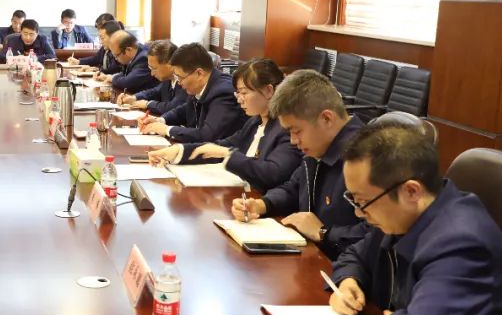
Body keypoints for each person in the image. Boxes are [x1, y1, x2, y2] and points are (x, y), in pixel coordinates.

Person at [328, 124, 502, 315]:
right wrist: (349, 281)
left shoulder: (460, 243)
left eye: (362, 201)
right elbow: (355, 255)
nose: (358, 213)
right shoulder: (405, 216)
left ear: (411, 190)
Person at [230, 69, 366, 259]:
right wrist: (262, 205)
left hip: (340, 266)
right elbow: (294, 187)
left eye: (296, 131)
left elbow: (377, 236)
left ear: (326, 118)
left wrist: (323, 233)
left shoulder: (368, 158)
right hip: (312, 256)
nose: (293, 141)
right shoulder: (318, 146)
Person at [148, 58, 301, 191]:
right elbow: (221, 146)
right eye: (237, 93)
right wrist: (178, 151)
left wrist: (227, 154)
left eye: (244, 93)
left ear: (268, 91)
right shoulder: (255, 121)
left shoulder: (287, 128)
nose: (239, 99)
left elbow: (273, 173)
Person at [139, 43, 246, 143]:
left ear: (199, 73)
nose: (179, 83)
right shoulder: (200, 86)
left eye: (180, 77)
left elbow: (208, 135)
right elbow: (185, 109)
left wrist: (167, 130)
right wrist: (161, 120)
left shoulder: (223, 93)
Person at [118, 40, 187, 116]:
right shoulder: (168, 79)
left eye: (154, 68)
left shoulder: (184, 81)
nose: (152, 74)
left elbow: (172, 107)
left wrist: (147, 104)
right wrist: (134, 97)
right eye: (150, 68)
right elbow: (155, 92)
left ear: (170, 64)